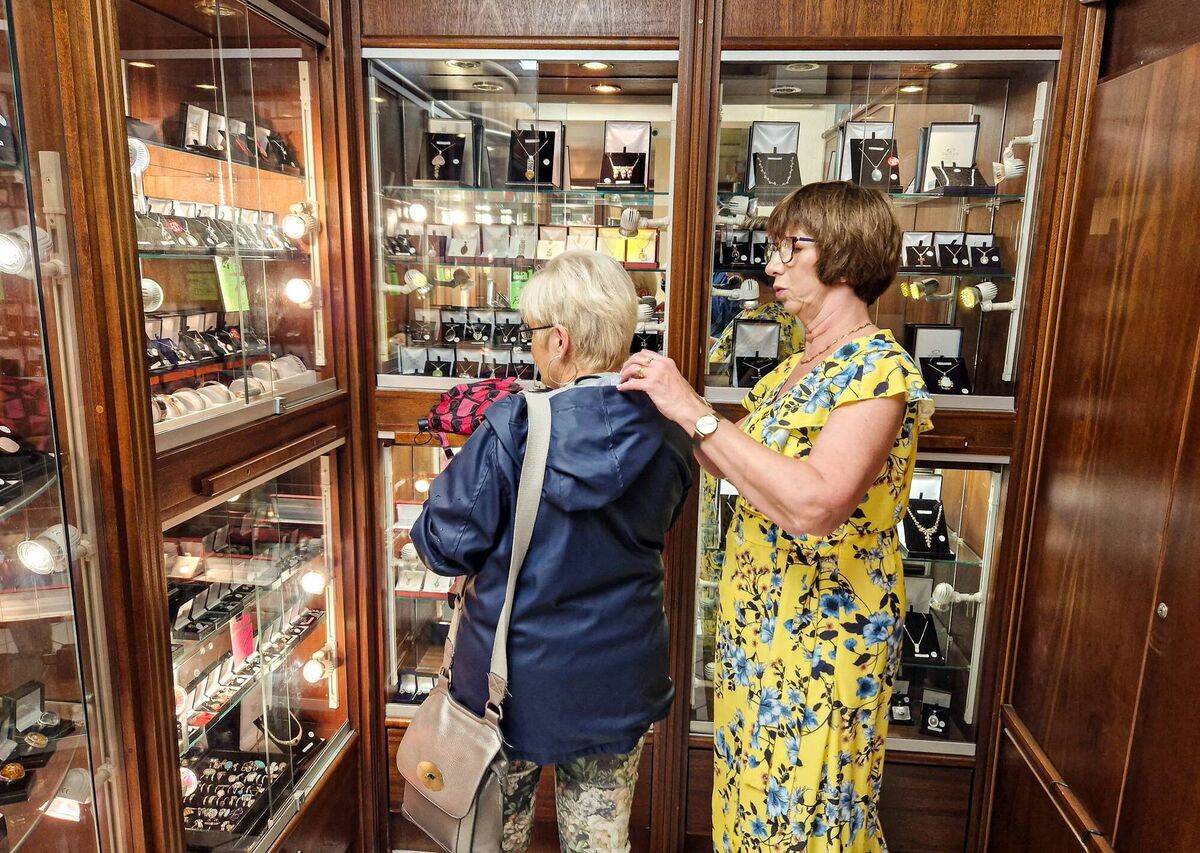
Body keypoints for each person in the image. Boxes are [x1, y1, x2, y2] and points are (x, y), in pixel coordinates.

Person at [619, 182, 933, 852]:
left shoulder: (880, 371)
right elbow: (742, 472)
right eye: (773, 249)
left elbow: (815, 504)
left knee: (809, 818)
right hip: (758, 639)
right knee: (752, 811)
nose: (772, 267)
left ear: (845, 258)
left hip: (823, 642)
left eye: (793, 249)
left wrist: (695, 411)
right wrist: (664, 410)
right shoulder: (791, 369)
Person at [410, 250, 693, 853]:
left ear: (560, 340)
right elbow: (664, 520)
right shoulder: (671, 424)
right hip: (618, 680)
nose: (531, 346)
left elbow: (445, 546)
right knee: (599, 841)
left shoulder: (514, 422)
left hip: (507, 686)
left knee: (491, 836)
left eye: (533, 333)